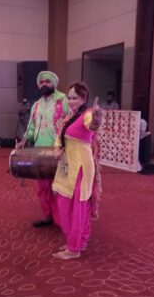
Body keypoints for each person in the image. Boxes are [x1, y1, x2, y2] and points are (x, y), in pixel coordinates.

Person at [52, 81, 102, 260]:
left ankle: (74, 249)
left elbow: (92, 125)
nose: (71, 101)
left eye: (75, 98)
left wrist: (96, 119)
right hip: (66, 166)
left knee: (77, 208)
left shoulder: (87, 114)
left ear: (84, 99)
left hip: (80, 167)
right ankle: (78, 240)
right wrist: (57, 149)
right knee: (64, 205)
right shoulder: (69, 117)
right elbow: (60, 137)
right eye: (69, 97)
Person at [16, 71, 69, 228]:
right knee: (43, 187)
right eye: (42, 82)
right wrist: (24, 140)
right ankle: (47, 215)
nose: (44, 84)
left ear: (54, 84)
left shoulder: (64, 100)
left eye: (48, 82)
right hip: (39, 153)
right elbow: (32, 128)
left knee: (59, 188)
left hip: (59, 152)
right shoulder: (37, 105)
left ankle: (61, 220)